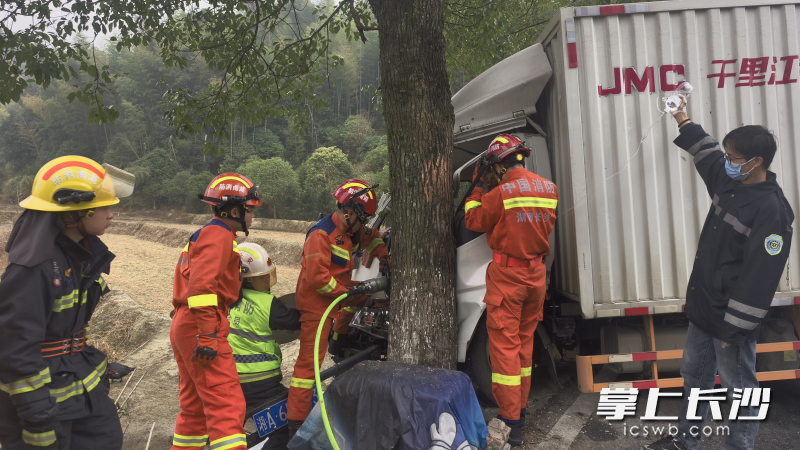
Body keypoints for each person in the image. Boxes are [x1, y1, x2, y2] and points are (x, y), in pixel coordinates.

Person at [644, 98, 793, 450]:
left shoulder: (772, 211)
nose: (725, 162)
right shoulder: (730, 184)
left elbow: (761, 277)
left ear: (755, 162)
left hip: (732, 319)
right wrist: (680, 113)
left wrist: (736, 327)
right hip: (705, 309)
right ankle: (685, 440)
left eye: (733, 158)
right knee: (694, 376)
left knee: (739, 388)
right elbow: (706, 152)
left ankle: (739, 446)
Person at [0, 156, 133, 449]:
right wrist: (37, 414)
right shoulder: (33, 270)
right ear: (77, 212)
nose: (111, 215)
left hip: (76, 389)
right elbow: (14, 349)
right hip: (43, 402)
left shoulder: (77, 258)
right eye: (105, 207)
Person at [464, 134, 558, 447]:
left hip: (508, 277)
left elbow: (474, 220)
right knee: (524, 347)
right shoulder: (549, 189)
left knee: (503, 349)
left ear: (498, 166)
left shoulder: (501, 193)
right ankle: (521, 408)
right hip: (536, 276)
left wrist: (477, 187)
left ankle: (510, 420)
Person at [286, 179, 389, 437]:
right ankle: (296, 422)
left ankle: (341, 341)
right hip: (316, 307)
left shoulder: (351, 230)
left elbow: (373, 238)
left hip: (335, 298)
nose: (364, 223)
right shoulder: (320, 234)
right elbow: (318, 279)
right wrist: (349, 292)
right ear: (349, 211)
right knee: (309, 365)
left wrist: (384, 259)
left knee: (367, 295)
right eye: (362, 217)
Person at [170, 173, 261, 450]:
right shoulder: (219, 234)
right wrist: (208, 335)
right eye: (250, 210)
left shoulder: (209, 234)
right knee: (226, 406)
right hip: (201, 325)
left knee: (194, 410)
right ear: (234, 210)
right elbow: (201, 288)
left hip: (188, 323)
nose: (252, 216)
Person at [230, 242, 300, 411]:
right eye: (262, 276)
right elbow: (296, 320)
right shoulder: (268, 304)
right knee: (287, 420)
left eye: (269, 275)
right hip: (263, 381)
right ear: (247, 279)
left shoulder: (224, 300)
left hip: (230, 378)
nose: (268, 280)